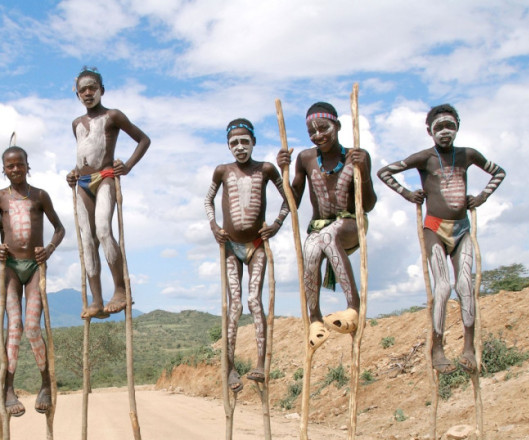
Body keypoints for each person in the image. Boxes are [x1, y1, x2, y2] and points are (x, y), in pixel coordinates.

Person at [377, 104, 505, 373]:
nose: (445, 132)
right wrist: (407, 194)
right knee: (443, 287)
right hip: (434, 228)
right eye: (439, 127)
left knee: (465, 286)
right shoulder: (425, 158)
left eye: (450, 126)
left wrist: (482, 197)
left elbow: (499, 172)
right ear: (429, 131)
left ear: (458, 127)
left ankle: (468, 348)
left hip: (462, 229)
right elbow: (384, 172)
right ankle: (437, 349)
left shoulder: (468, 155)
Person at [276, 102, 377, 350]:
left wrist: (363, 170)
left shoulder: (357, 156)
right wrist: (283, 172)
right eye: (312, 131)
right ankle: (315, 320)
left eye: (323, 128)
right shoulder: (306, 159)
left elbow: (369, 204)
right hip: (319, 226)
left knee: (328, 236)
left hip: (350, 224)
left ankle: (353, 309)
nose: (318, 135)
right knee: (311, 249)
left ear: (338, 126)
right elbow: (293, 201)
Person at [204, 118, 290, 391]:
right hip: (231, 247)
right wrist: (214, 226)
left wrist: (276, 224)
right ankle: (230, 369)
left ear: (253, 142)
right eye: (234, 143)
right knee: (235, 306)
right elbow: (208, 200)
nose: (239, 147)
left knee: (254, 301)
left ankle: (261, 365)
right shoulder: (222, 171)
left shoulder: (266, 169)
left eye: (244, 142)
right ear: (228, 146)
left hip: (256, 245)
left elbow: (289, 198)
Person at [66, 67, 150, 319]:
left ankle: (120, 290)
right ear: (77, 94)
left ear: (102, 90)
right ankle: (97, 300)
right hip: (82, 184)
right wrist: (73, 173)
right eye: (82, 90)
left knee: (103, 230)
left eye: (92, 88)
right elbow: (84, 154)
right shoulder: (76, 124)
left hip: (104, 178)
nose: (88, 93)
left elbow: (143, 139)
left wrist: (128, 165)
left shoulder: (113, 116)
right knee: (87, 240)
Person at [0, 146, 65, 416]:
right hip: (10, 268)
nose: (15, 169)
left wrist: (49, 249)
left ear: (27, 165)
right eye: (10, 166)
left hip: (34, 268)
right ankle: (8, 388)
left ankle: (45, 384)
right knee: (14, 327)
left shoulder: (39, 196)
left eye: (19, 164)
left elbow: (59, 229)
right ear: (4, 169)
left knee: (32, 327)